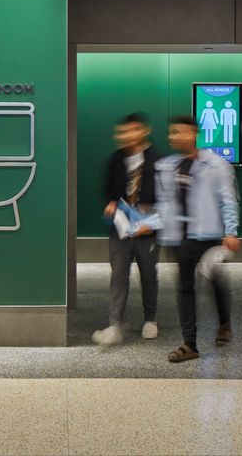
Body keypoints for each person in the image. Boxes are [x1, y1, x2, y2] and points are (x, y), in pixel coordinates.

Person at [155, 115, 240, 362]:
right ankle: (189, 344)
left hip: (210, 235)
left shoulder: (217, 165)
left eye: (178, 132)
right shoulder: (166, 166)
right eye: (171, 132)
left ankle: (224, 322)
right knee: (185, 289)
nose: (172, 137)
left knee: (216, 282)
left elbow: (228, 200)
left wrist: (231, 231)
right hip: (180, 238)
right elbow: (164, 204)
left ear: (193, 134)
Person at [92, 113, 160, 346]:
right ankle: (116, 323)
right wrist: (110, 203)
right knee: (118, 275)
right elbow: (109, 191)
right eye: (122, 132)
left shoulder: (158, 161)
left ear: (143, 131)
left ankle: (150, 319)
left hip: (147, 230)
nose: (125, 136)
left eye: (131, 131)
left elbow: (166, 199)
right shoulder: (114, 160)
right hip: (120, 229)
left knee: (148, 275)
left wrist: (150, 221)